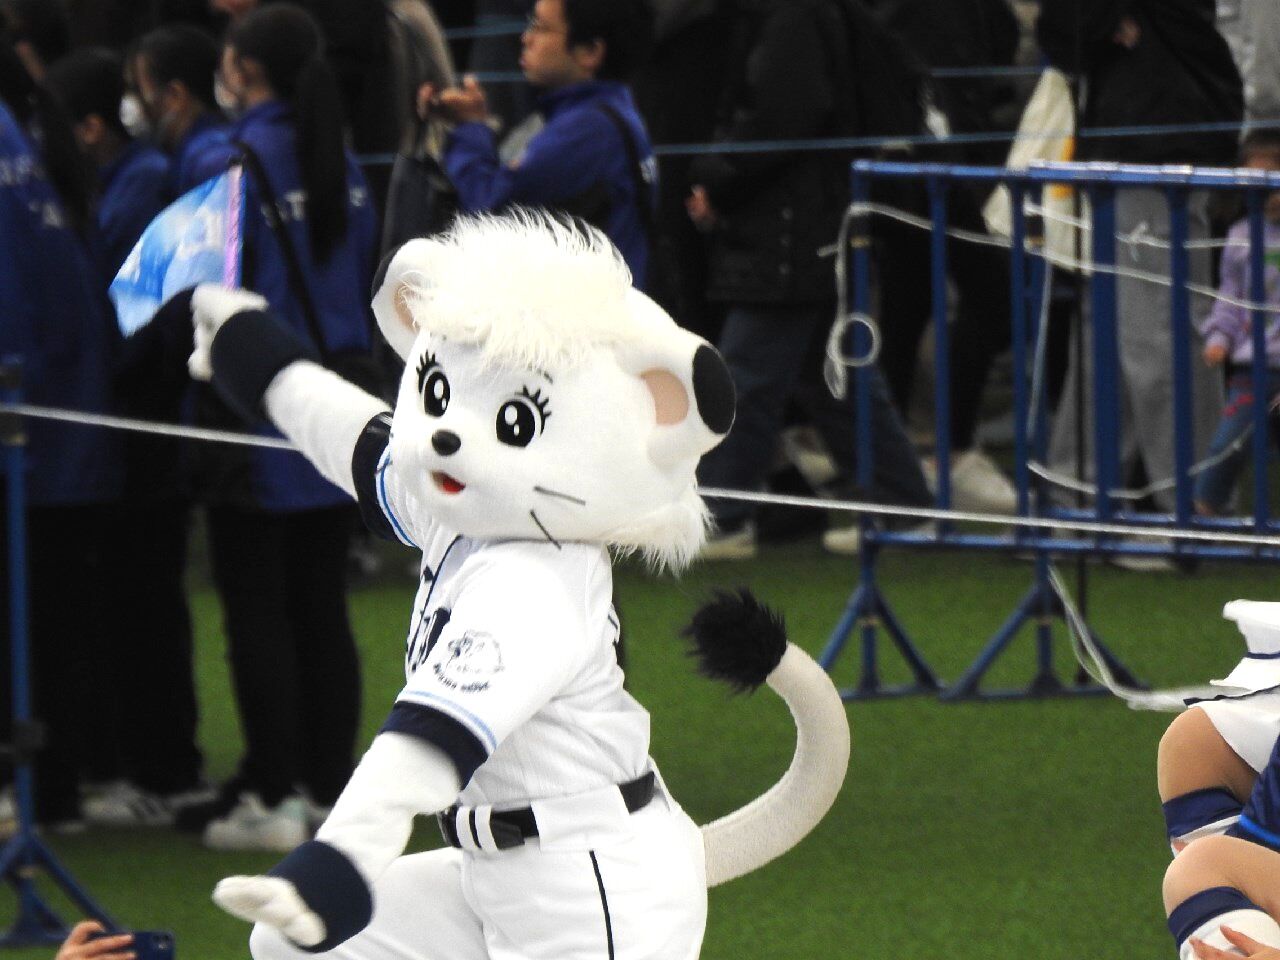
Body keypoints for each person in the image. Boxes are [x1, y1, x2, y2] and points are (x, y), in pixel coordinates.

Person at [173, 3, 378, 852]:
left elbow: (195, 290)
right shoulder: (343, 158)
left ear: (243, 69)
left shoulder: (226, 161)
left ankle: (273, 791)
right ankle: (328, 789)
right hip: (341, 409)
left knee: (259, 611)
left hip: (256, 414)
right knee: (320, 607)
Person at [686, 0, 933, 559]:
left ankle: (722, 515)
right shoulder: (800, 15)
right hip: (807, 218)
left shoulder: (790, 17)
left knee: (749, 375)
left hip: (791, 224)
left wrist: (718, 181)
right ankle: (905, 507)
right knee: (836, 378)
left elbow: (781, 118)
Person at [1036, 0, 1243, 537]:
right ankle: (1081, 502)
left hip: (1152, 135)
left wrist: (1097, 22)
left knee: (1155, 329)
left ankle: (1193, 513)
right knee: (1114, 328)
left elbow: (1067, 27)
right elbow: (1068, 28)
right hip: (1146, 132)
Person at [0, 32, 122, 830]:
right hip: (71, 420)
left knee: (35, 615)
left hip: (30, 422)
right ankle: (60, 786)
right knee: (59, 613)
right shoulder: (35, 135)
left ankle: (36, 787)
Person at [417, 0, 657, 286]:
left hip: (587, 310)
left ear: (590, 52)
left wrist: (470, 128)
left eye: (540, 27)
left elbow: (488, 210)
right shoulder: (607, 113)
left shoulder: (587, 131)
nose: (526, 38)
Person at [1193, 131, 1280, 517]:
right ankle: (1203, 521)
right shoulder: (1241, 236)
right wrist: (1219, 337)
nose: (1267, 196)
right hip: (1253, 369)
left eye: (1273, 182)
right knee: (1225, 449)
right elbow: (1229, 296)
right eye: (1255, 185)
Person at [127, 24, 228, 196]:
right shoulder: (191, 155)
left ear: (175, 95)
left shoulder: (209, 162)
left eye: (137, 89)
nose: (131, 103)